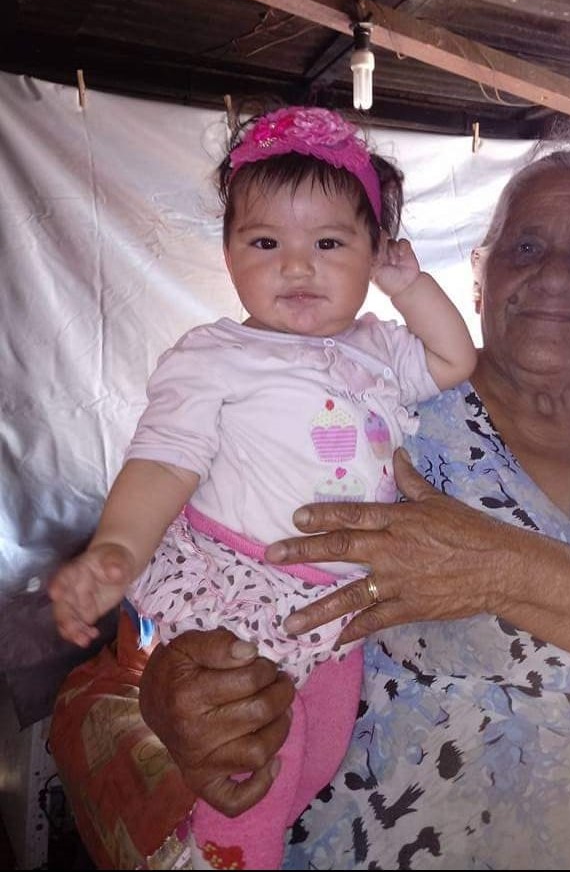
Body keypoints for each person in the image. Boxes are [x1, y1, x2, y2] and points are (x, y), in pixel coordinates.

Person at [49, 147, 570, 871]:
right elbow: (202, 558)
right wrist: (175, 692)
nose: (554, 272)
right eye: (525, 246)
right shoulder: (374, 413)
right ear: (480, 277)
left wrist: (505, 569)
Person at [47, 105, 477, 871]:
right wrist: (116, 548)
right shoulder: (214, 357)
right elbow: (164, 461)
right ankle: (230, 854)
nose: (297, 267)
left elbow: (455, 359)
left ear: (374, 252)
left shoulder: (379, 348)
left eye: (330, 243)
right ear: (228, 252)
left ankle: (238, 843)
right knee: (254, 763)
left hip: (339, 606)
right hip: (246, 586)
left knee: (318, 756)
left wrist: (410, 288)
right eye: (266, 242)